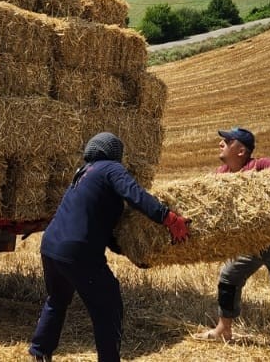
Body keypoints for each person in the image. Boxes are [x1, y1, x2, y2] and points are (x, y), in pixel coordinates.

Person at [27, 132, 190, 362]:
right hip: (77, 250)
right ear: (115, 154)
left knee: (57, 299)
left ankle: (39, 352)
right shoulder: (111, 169)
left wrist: (131, 251)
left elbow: (102, 226)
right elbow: (136, 195)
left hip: (51, 248)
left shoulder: (83, 173)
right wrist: (168, 218)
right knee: (108, 305)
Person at [195, 126, 270, 362]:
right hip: (249, 243)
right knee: (228, 278)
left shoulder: (259, 166)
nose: (221, 143)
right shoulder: (222, 174)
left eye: (227, 140)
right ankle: (223, 330)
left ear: (241, 150)